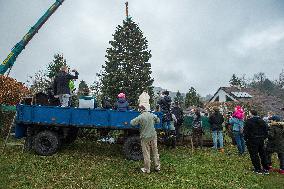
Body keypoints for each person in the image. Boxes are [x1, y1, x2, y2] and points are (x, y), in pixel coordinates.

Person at [130, 105, 161, 173]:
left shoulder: (140, 116)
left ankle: (147, 169)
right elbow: (158, 121)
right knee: (155, 151)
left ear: (140, 110)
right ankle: (157, 167)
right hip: (153, 135)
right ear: (145, 109)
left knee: (146, 152)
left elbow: (132, 123)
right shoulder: (152, 114)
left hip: (145, 137)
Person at [244, 110, 269, 174]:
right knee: (262, 154)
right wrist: (264, 137)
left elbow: (246, 132)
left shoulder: (249, 121)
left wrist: (246, 139)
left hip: (252, 140)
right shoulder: (262, 121)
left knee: (254, 155)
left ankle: (258, 169)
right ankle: (266, 168)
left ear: (251, 114)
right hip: (261, 139)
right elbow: (266, 129)